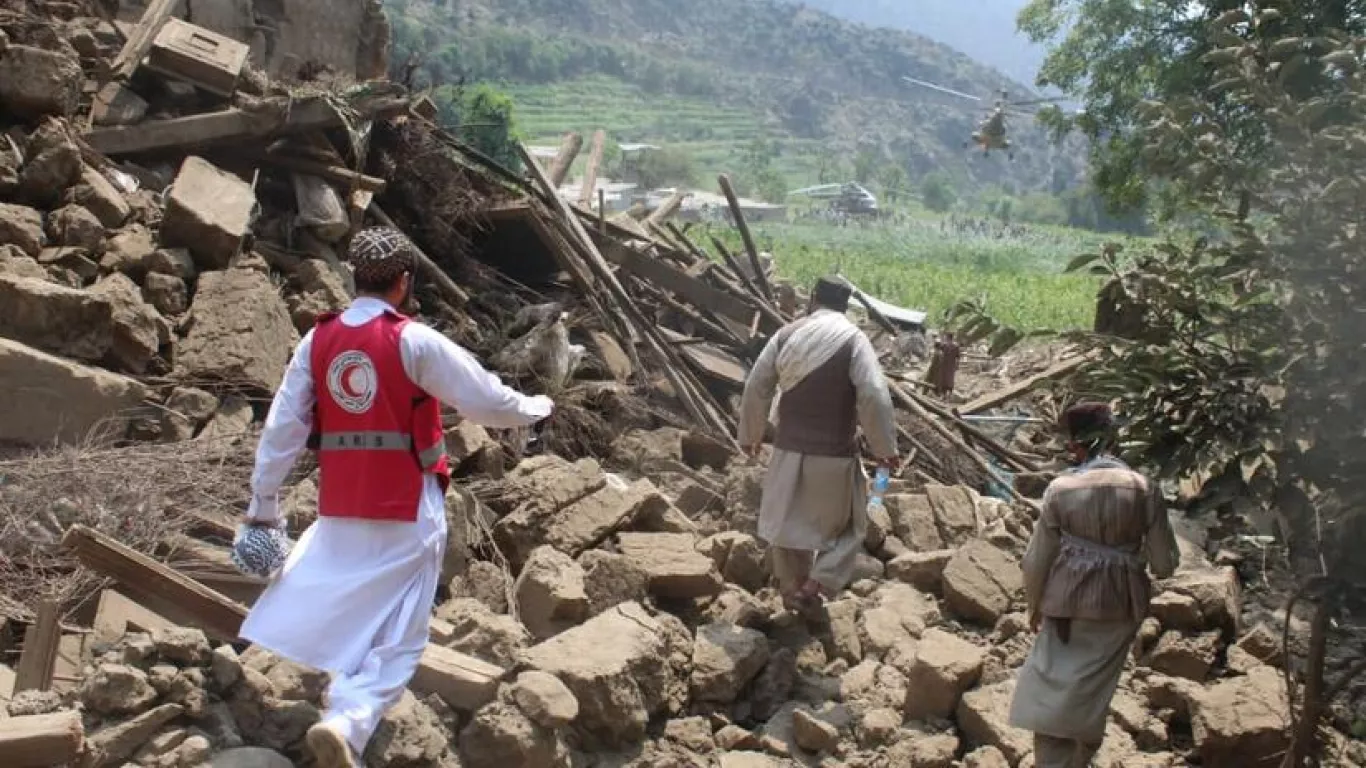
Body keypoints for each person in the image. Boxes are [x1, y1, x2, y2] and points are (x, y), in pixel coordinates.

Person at [237, 227, 554, 768]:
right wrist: (536, 406)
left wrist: (263, 504)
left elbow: (282, 429)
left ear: (351, 277)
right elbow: (486, 400)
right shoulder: (413, 342)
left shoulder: (318, 341)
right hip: (407, 505)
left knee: (344, 599)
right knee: (402, 629)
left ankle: (331, 693)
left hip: (341, 502)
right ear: (404, 282)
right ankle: (349, 721)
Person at [1008, 402, 1180, 767]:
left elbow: (1035, 560)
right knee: (1092, 694)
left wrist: (1034, 605)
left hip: (1065, 606)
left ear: (1075, 445)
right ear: (1114, 437)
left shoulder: (1061, 489)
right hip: (1121, 607)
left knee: (1051, 696)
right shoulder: (1145, 488)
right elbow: (1165, 564)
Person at [738, 276, 898, 613]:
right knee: (853, 524)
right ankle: (817, 582)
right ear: (845, 306)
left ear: (812, 299)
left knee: (785, 525)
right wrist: (884, 447)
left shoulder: (785, 335)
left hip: (786, 452)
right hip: (834, 458)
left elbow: (756, 387)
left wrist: (751, 436)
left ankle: (792, 587)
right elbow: (873, 393)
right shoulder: (853, 339)